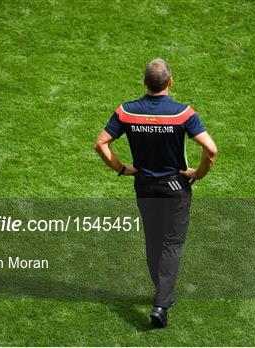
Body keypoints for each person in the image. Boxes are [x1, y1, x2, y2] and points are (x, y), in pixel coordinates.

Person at [94, 58, 217, 328]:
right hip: (176, 188)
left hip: (145, 186)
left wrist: (121, 168)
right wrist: (199, 173)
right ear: (170, 82)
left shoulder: (126, 112)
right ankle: (160, 305)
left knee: (153, 239)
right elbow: (211, 149)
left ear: (144, 82)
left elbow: (101, 144)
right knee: (172, 244)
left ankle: (162, 291)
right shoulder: (183, 114)